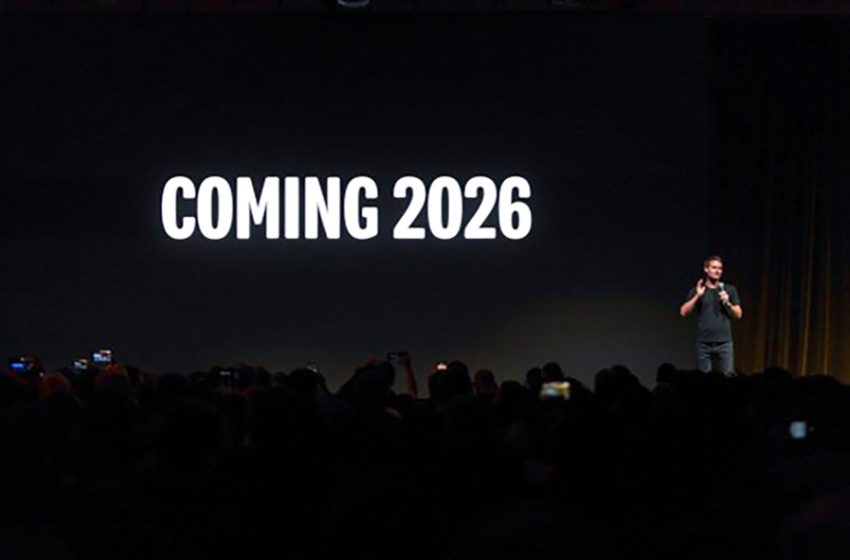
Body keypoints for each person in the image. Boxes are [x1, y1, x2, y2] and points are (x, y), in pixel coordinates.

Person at [679, 255, 743, 374]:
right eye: (714, 267)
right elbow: (683, 312)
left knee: (729, 376)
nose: (717, 271)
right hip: (704, 343)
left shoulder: (729, 290)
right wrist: (697, 296)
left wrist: (728, 303)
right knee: (704, 379)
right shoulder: (699, 290)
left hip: (724, 343)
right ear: (706, 269)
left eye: (720, 268)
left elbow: (739, 315)